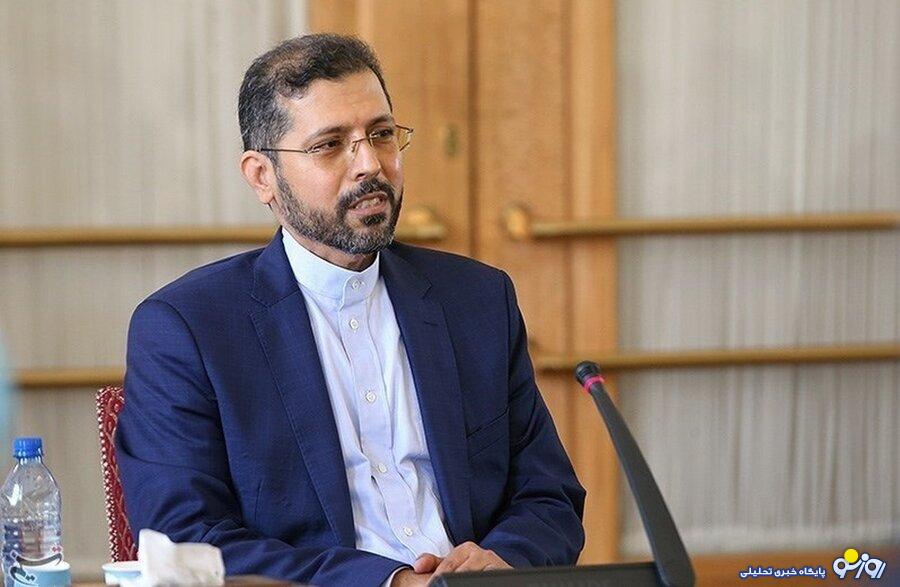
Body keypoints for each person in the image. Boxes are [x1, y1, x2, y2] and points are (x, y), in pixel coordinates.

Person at [116, 33, 585, 587]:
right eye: (330, 144)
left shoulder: (477, 300)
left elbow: (548, 494)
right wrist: (390, 581)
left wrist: (503, 561)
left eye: (382, 135)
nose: (370, 165)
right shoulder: (188, 328)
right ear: (263, 176)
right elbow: (187, 538)